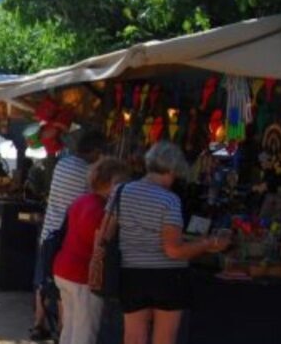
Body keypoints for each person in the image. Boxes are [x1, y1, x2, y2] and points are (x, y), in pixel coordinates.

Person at [111, 142, 230, 344]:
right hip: (167, 277)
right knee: (164, 339)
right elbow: (173, 250)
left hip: (130, 273)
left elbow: (107, 233)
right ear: (172, 169)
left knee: (133, 338)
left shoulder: (121, 191)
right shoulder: (169, 200)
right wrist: (207, 244)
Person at [31, 129, 104, 341]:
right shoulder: (87, 173)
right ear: (96, 151)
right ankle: (61, 329)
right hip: (64, 238)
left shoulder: (63, 164)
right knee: (67, 298)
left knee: (44, 283)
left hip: (48, 233)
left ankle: (39, 323)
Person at [54, 158, 130, 344]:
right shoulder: (101, 211)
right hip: (82, 275)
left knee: (70, 327)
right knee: (84, 332)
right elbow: (99, 242)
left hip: (64, 268)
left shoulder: (82, 201)